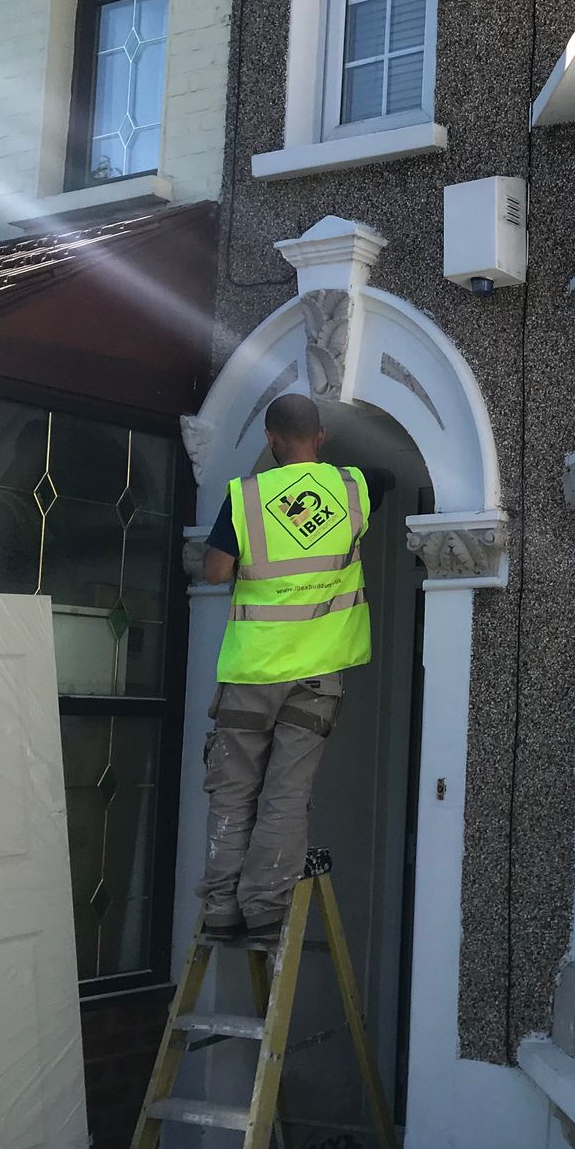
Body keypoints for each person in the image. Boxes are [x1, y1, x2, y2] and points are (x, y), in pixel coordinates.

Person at [198, 394, 394, 940]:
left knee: (234, 791)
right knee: (287, 792)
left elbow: (215, 572)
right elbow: (384, 478)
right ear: (322, 435)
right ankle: (264, 909)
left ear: (270, 439)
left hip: (251, 672)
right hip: (315, 677)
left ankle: (219, 909)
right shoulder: (355, 489)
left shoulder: (246, 497)